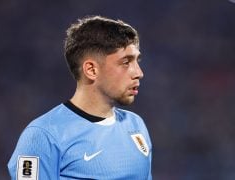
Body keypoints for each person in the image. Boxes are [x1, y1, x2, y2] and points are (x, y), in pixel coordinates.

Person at [8, 15, 152, 180]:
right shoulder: (42, 136)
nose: (139, 73)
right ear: (91, 70)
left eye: (137, 61)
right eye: (126, 62)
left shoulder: (135, 126)